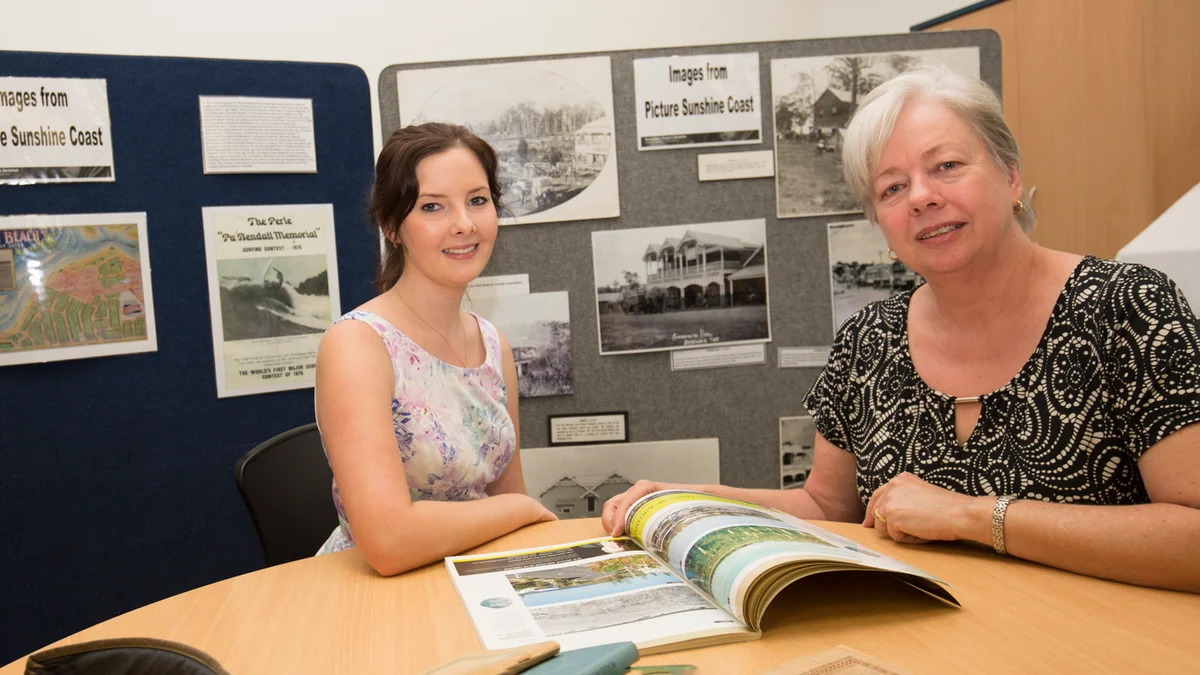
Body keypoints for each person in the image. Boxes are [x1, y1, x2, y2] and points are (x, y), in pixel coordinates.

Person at [604, 67, 1200, 593]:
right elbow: (825, 506)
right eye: (892, 187)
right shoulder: (870, 340)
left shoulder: (1130, 307)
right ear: (879, 223)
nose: (921, 197)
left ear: (1011, 177)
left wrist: (973, 516)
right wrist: (686, 497)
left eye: (947, 166)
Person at [314, 122, 555, 576]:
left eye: (477, 201)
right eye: (432, 207)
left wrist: (518, 511)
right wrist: (523, 510)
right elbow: (388, 541)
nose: (464, 224)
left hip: (474, 577)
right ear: (391, 227)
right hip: (376, 595)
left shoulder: (492, 344)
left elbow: (507, 494)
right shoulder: (358, 345)